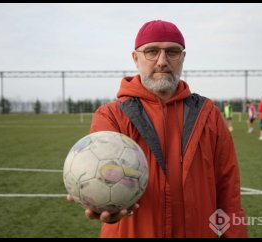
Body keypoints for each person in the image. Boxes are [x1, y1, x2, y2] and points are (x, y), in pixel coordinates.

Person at [67, 20, 247, 238]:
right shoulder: (111, 116)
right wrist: (103, 206)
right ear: (136, 58)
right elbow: (102, 176)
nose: (162, 61)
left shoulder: (209, 114)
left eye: (172, 52)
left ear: (183, 58)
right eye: (151, 52)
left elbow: (228, 192)